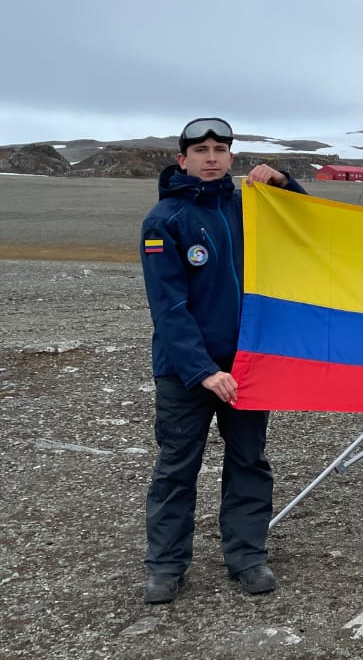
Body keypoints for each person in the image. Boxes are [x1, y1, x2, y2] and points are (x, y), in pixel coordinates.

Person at [138, 116, 305, 604]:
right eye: (200, 149)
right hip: (185, 373)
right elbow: (168, 307)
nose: (211, 157)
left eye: (220, 149)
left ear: (231, 157)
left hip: (248, 368)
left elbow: (313, 232)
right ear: (182, 159)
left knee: (248, 461)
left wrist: (285, 184)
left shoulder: (250, 208)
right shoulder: (164, 220)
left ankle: (248, 557)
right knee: (176, 467)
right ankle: (167, 566)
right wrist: (204, 372)